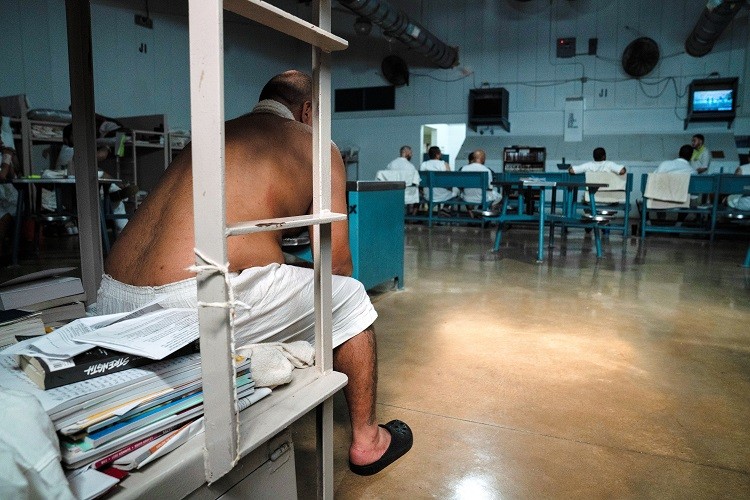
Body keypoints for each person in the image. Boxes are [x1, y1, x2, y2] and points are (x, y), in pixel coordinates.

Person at [98, 70, 412, 476]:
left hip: (113, 297)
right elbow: (336, 266)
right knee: (349, 298)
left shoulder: (211, 136)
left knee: (295, 278)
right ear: (308, 110)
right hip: (196, 298)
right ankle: (368, 441)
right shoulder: (317, 145)